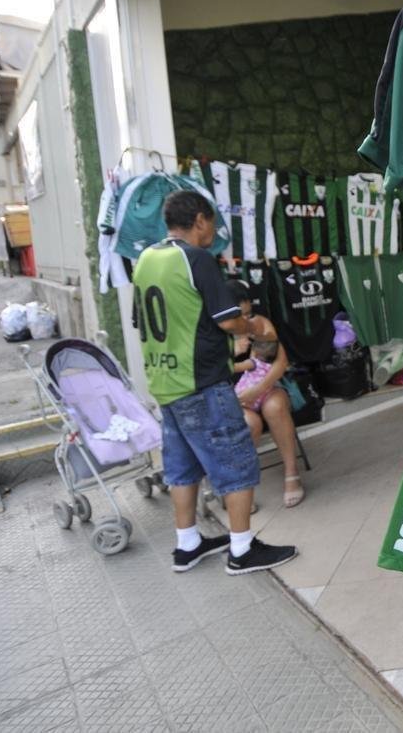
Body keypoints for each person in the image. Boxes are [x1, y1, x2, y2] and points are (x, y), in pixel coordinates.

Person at [132, 190, 297, 575]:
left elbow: (142, 322)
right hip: (202, 382)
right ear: (200, 221)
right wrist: (251, 326)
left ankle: (186, 544)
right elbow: (227, 320)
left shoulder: (146, 260)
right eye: (212, 222)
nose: (213, 231)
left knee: (182, 467)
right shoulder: (196, 259)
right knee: (236, 464)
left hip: (165, 382)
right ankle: (242, 550)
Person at [228, 281, 305, 508]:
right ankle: (239, 487)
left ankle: (292, 473)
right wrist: (233, 353)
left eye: (248, 313)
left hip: (267, 386)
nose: (246, 320)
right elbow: (208, 369)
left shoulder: (259, 324)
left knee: (275, 407)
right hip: (234, 397)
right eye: (240, 316)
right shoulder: (213, 336)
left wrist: (258, 389)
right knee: (249, 424)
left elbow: (280, 363)